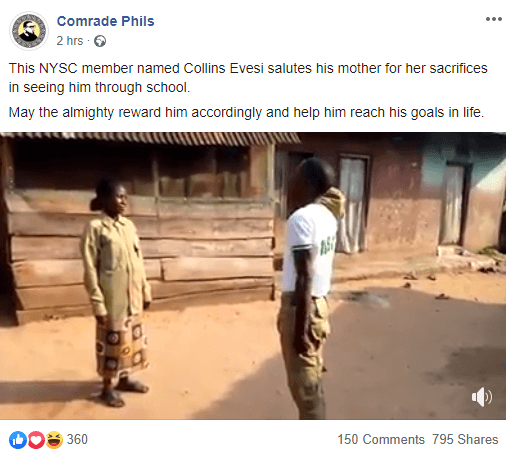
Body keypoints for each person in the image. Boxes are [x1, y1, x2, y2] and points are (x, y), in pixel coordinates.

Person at [277, 157, 345, 419]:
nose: (289, 183)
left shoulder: (301, 218)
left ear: (307, 183)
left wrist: (299, 330)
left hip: (302, 307)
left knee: (306, 395)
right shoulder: (329, 215)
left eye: (294, 177)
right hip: (319, 305)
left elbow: (304, 275)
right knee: (312, 384)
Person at [81, 175, 152, 407]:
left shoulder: (129, 226)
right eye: (118, 196)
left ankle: (125, 379)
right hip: (112, 299)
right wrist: (97, 303)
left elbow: (138, 260)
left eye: (125, 197)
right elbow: (90, 268)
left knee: (131, 340)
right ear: (104, 199)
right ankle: (107, 387)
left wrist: (146, 290)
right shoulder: (95, 228)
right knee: (111, 343)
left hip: (134, 296)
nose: (123, 201)